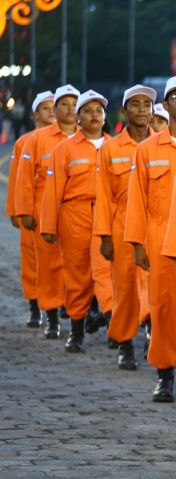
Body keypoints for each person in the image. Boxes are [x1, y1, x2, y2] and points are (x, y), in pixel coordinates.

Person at [125, 75, 176, 401]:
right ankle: (165, 374)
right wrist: (137, 243)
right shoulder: (147, 150)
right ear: (166, 105)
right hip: (160, 234)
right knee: (163, 306)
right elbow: (137, 200)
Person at [40, 90, 111, 353]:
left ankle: (116, 326)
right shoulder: (65, 149)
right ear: (78, 117)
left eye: (99, 111)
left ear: (105, 116)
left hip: (109, 215)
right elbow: (53, 191)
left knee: (110, 272)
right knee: (77, 275)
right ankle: (77, 329)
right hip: (75, 215)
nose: (94, 115)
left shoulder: (116, 147)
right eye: (88, 111)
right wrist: (48, 226)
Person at [94, 84, 156, 369]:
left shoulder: (162, 144)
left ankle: (154, 337)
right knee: (125, 289)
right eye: (135, 104)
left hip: (155, 225)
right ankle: (125, 343)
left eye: (146, 104)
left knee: (157, 287)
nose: (141, 110)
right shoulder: (110, 148)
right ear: (124, 111)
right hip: (121, 226)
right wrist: (104, 237)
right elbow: (104, 195)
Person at [16, 84, 80, 340]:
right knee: (48, 266)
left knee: (78, 267)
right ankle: (51, 316)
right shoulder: (35, 140)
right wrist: (23, 211)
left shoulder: (87, 138)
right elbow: (24, 180)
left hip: (77, 213)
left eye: (74, 104)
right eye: (63, 104)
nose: (69, 109)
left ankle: (79, 315)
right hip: (44, 209)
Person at [6, 91, 55, 328]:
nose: (52, 111)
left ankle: (60, 305)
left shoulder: (71, 139)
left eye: (54, 106)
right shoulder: (23, 143)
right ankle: (35, 307)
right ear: (35, 114)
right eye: (46, 108)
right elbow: (16, 181)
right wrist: (16, 211)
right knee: (31, 259)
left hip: (61, 210)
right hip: (33, 209)